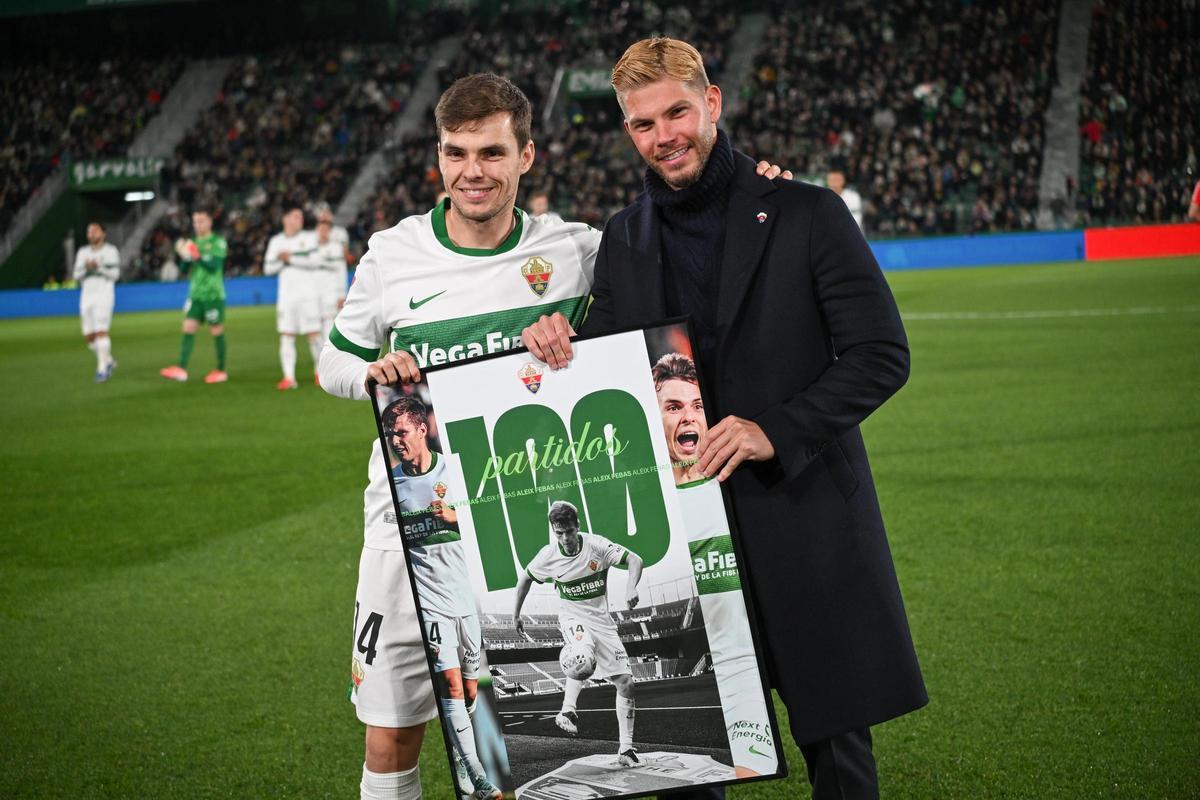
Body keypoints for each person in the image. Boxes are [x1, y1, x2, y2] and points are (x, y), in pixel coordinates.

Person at [317, 71, 787, 800]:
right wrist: (373, 372)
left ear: (526, 156)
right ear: (438, 156)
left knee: (504, 763)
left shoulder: (575, 252)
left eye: (492, 153)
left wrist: (756, 185)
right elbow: (332, 361)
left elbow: (686, 255)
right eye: (456, 153)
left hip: (511, 518)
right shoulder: (393, 254)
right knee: (391, 732)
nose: (472, 171)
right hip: (412, 529)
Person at [522, 37, 927, 800]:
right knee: (698, 760)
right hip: (690, 527)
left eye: (677, 111)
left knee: (836, 741)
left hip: (799, 505)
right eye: (642, 125)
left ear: (712, 103)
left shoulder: (810, 212)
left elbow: (880, 353)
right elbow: (605, 366)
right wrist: (555, 338)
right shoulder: (624, 238)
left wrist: (775, 428)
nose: (663, 135)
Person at [652, 352, 777, 778]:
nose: (688, 417)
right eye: (673, 407)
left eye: (696, 405)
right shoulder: (651, 508)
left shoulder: (742, 495)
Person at [382, 396, 500, 800]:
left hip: (465, 594)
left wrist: (456, 518)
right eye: (389, 434)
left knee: (469, 691)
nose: (395, 440)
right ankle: (479, 777)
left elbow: (493, 524)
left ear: (421, 429)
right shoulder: (392, 484)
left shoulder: (457, 471)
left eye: (400, 432)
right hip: (429, 599)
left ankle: (460, 748)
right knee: (450, 687)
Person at [511, 501, 644, 766]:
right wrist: (516, 614)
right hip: (572, 617)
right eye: (558, 533)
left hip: (602, 622)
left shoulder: (597, 546)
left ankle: (626, 750)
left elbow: (635, 560)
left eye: (569, 531)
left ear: (578, 526)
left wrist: (631, 588)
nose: (565, 538)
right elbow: (524, 578)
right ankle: (568, 712)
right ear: (553, 530)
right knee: (582, 654)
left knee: (627, 684)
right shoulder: (548, 555)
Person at [160, 209, 229, 383]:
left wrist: (195, 255)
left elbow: (214, 265)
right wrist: (184, 257)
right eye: (195, 222)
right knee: (188, 327)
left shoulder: (217, 242)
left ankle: (221, 370)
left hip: (213, 294)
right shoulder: (194, 242)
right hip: (196, 294)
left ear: (210, 222)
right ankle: (181, 369)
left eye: (201, 221)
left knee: (216, 330)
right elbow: (184, 270)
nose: (198, 225)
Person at [264, 207, 325, 390]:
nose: (300, 220)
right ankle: (289, 378)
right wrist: (283, 260)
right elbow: (268, 268)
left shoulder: (309, 238)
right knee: (286, 335)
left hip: (308, 296)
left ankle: (321, 373)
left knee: (314, 335)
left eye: (300, 217)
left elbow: (316, 261)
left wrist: (290, 259)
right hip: (287, 298)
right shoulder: (276, 241)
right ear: (285, 219)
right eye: (295, 216)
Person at [73, 221, 120, 382]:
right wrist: (88, 268)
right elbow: (76, 276)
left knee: (101, 331)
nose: (91, 234)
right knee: (89, 337)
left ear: (103, 233)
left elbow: (115, 275)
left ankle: (102, 369)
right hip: (86, 296)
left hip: (104, 295)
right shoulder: (82, 252)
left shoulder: (110, 251)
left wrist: (98, 267)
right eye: (89, 231)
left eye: (95, 231)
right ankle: (109, 361)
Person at [314, 204, 351, 341]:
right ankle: (323, 356)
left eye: (326, 213)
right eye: (321, 213)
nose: (324, 216)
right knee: (322, 322)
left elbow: (344, 258)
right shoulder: (313, 238)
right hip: (319, 287)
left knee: (340, 321)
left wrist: (342, 292)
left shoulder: (339, 233)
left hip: (335, 286)